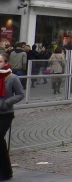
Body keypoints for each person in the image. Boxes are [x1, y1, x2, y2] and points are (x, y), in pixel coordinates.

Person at [0, 52, 25, 181]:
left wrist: (8, 102)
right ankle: (5, 170)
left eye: (0, 61)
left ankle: (6, 171)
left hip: (5, 113)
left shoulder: (12, 78)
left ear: (6, 63)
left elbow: (21, 94)